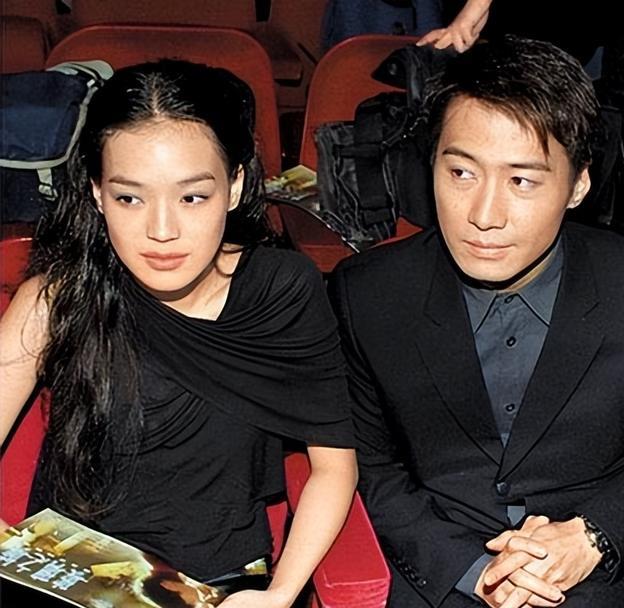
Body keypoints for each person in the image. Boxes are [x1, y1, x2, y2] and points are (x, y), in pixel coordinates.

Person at [0, 59, 357, 608]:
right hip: (72, 576)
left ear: (235, 186)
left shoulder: (281, 290)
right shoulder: (59, 296)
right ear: (96, 192)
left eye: (192, 197)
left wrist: (281, 592)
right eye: (129, 198)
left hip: (218, 586)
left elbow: (334, 466)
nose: (161, 230)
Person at [329, 35, 624, 607]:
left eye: (521, 181)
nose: (484, 215)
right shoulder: (368, 293)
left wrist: (595, 535)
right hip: (442, 574)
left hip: (609, 570)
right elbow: (372, 469)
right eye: (461, 173)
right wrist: (477, 572)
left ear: (578, 184)